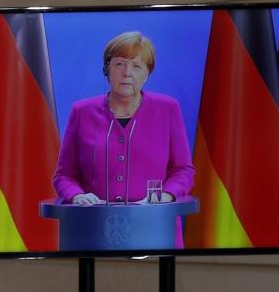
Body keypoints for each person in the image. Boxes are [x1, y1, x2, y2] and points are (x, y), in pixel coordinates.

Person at [53, 31, 194, 208]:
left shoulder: (168, 109)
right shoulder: (82, 112)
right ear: (107, 69)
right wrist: (77, 196)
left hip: (155, 224)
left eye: (136, 66)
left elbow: (183, 170)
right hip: (94, 224)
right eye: (120, 64)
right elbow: (65, 175)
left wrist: (165, 196)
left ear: (147, 74)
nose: (127, 73)